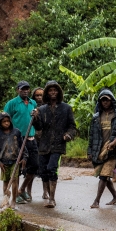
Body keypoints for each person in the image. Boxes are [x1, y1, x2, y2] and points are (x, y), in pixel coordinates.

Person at [31, 81, 77, 209]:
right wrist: (35, 118)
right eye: (50, 90)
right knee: (43, 170)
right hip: (44, 144)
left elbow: (72, 127)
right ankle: (46, 192)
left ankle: (52, 198)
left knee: (52, 168)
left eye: (55, 90)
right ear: (47, 93)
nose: (53, 93)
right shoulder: (42, 109)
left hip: (58, 143)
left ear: (59, 92)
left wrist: (68, 135)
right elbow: (39, 127)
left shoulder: (66, 108)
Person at [87, 89, 116, 208]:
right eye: (102, 100)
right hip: (98, 150)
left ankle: (96, 201)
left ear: (111, 100)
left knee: (104, 175)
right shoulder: (96, 117)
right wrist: (89, 151)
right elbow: (91, 135)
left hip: (113, 150)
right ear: (100, 102)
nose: (105, 102)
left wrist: (115, 143)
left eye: (107, 100)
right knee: (104, 175)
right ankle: (115, 196)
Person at [3, 82, 38, 204]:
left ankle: (22, 189)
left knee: (34, 166)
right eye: (22, 89)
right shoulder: (12, 104)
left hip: (31, 138)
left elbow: (36, 120)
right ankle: (15, 194)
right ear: (18, 90)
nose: (25, 91)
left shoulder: (33, 103)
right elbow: (4, 120)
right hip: (17, 140)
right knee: (16, 168)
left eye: (27, 89)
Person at [0, 112, 23, 207]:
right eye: (4, 122)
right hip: (4, 162)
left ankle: (14, 200)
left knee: (14, 180)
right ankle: (6, 199)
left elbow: (22, 146)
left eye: (8, 121)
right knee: (5, 181)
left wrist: (24, 157)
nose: (6, 123)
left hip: (15, 160)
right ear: (0, 123)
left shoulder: (16, 132)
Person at [30, 87, 48, 201]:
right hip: (33, 139)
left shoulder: (47, 108)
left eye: (41, 95)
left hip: (44, 141)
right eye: (37, 95)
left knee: (44, 168)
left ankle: (45, 191)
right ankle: (28, 191)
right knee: (31, 167)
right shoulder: (31, 107)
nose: (39, 97)